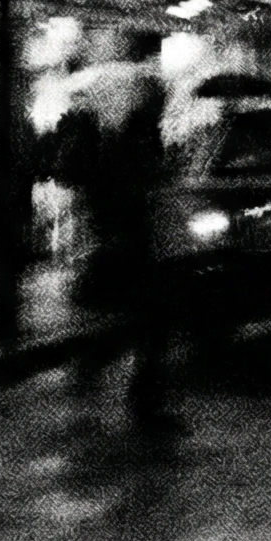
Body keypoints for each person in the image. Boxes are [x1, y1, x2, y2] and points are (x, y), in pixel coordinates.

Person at [66, 30, 180, 435]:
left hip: (141, 244)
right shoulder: (127, 146)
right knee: (146, 324)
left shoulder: (140, 142)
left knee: (146, 325)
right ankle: (133, 393)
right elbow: (117, 197)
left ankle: (124, 384)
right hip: (130, 245)